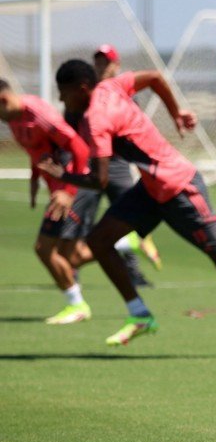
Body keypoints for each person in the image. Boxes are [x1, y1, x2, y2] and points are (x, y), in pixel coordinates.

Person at [39, 59, 216, 346]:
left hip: (179, 186)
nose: (60, 99)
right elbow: (155, 77)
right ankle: (139, 315)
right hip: (150, 187)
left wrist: (62, 175)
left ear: (82, 89)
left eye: (63, 92)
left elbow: (100, 181)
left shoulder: (96, 119)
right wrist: (176, 112)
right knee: (99, 240)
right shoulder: (112, 86)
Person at [0, 79, 95, 324]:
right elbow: (37, 150)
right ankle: (123, 243)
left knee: (44, 249)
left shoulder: (39, 113)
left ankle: (77, 305)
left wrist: (69, 191)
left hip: (72, 188)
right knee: (69, 256)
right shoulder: (13, 118)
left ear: (3, 100)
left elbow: (81, 149)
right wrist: (34, 180)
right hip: (58, 189)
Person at [92, 44, 162, 286]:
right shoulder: (87, 90)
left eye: (106, 61)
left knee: (129, 220)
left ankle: (133, 272)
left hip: (119, 165)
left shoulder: (126, 92)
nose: (102, 65)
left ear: (116, 65)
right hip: (92, 166)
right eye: (98, 61)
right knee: (80, 220)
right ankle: (70, 275)